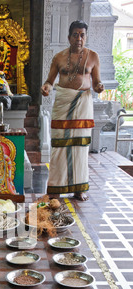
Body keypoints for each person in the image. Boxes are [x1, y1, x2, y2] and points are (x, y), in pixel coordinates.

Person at [41, 20, 104, 201]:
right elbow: (49, 82)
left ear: (86, 37)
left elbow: (96, 82)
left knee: (79, 146)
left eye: (82, 35)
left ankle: (79, 189)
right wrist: (45, 88)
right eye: (75, 35)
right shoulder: (59, 57)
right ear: (69, 37)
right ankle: (55, 188)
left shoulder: (93, 57)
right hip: (63, 102)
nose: (79, 38)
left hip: (82, 104)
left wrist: (99, 87)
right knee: (59, 145)